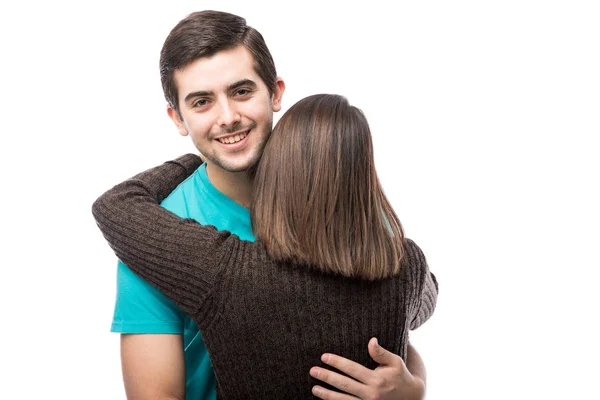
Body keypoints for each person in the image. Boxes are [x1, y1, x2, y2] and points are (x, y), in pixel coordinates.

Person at [109, 10, 430, 400]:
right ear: (178, 118)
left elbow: (388, 323)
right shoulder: (151, 236)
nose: (228, 118)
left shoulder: (338, 198)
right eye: (202, 102)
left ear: (275, 93)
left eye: (241, 91)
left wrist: (412, 389)